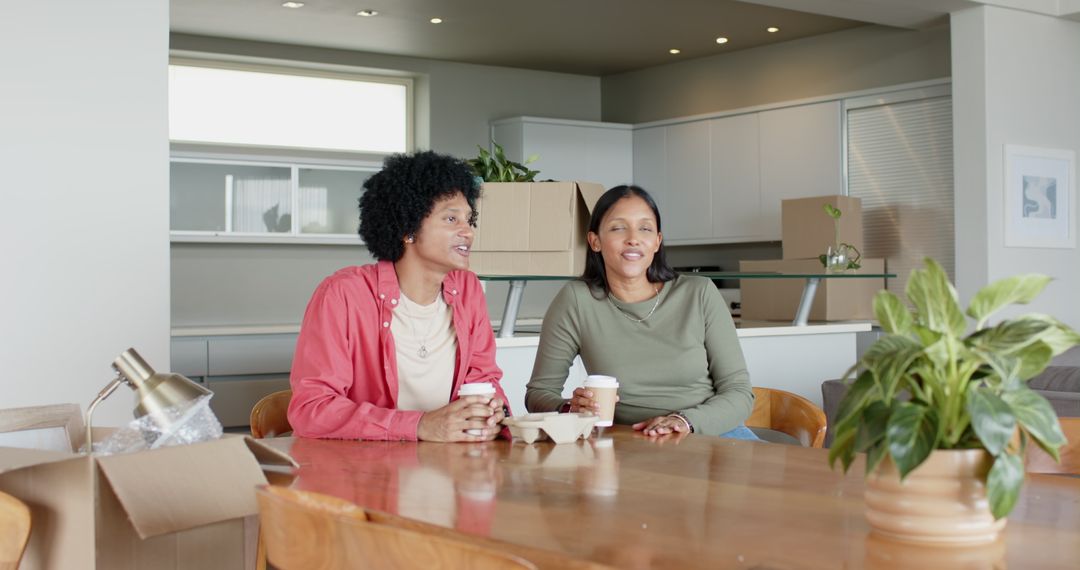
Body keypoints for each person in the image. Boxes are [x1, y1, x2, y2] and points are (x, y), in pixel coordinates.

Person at [288, 151, 508, 442]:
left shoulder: (467, 289)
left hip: (454, 470)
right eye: (451, 218)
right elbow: (311, 408)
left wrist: (495, 411)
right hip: (366, 475)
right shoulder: (343, 294)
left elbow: (484, 379)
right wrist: (418, 426)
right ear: (408, 228)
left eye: (469, 220)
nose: (467, 231)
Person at [525, 185, 756, 439]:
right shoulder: (577, 300)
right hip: (629, 443)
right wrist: (571, 408)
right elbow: (538, 393)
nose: (633, 238)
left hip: (712, 436)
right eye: (618, 227)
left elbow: (739, 392)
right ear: (595, 241)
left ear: (657, 241)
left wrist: (683, 421)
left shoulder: (698, 293)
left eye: (645, 228)